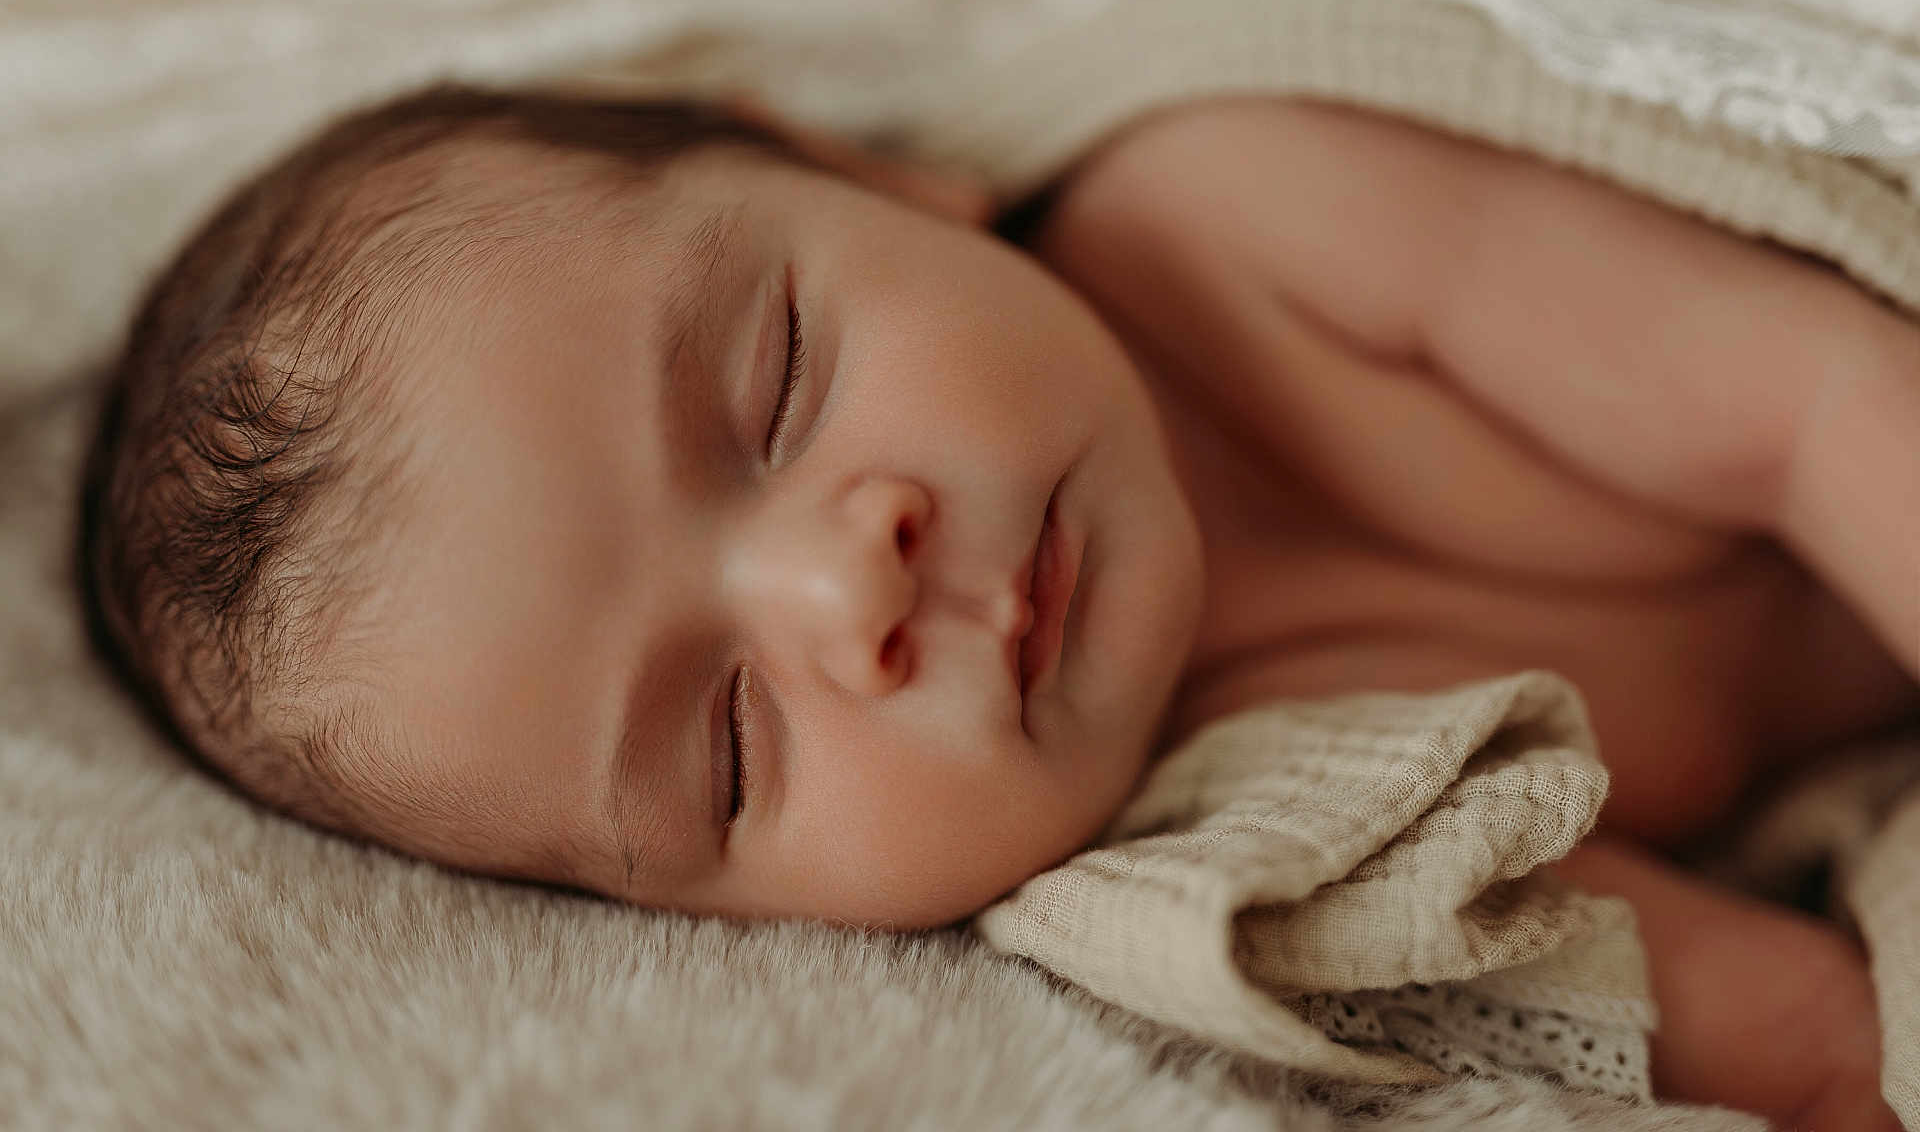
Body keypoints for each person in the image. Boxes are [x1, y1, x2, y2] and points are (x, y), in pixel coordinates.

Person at [79, 84, 1917, 1128]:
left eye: (778, 380)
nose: (842, 586)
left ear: (862, 173)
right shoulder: (1276, 855)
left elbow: (1824, 398)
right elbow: (1824, 1044)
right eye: (726, 746)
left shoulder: (1251, 228)